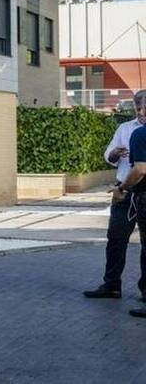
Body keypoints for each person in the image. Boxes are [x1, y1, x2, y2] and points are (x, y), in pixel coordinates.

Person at [84, 90, 146, 301]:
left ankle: (145, 292)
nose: (140, 112)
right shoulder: (125, 129)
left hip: (141, 190)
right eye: (137, 107)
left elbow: (141, 169)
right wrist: (115, 153)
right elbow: (108, 156)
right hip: (123, 192)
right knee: (116, 239)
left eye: (143, 107)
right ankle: (112, 285)